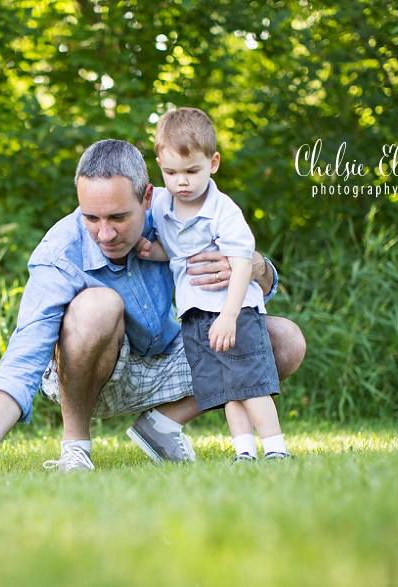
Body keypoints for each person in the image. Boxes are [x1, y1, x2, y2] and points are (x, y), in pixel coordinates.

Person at [0, 139, 305, 481]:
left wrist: (257, 267)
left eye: (119, 218)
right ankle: (75, 445)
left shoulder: (180, 219)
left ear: (147, 198)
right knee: (98, 304)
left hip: (168, 361)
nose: (105, 234)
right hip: (91, 372)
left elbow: (250, 287)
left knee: (283, 340)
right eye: (92, 218)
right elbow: (22, 358)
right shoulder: (59, 253)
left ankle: (162, 425)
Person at [137, 108, 289, 461]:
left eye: (192, 171)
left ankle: (276, 450)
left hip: (234, 311)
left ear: (213, 163)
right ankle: (244, 453)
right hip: (196, 314)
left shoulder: (224, 211)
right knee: (227, 389)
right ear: (159, 163)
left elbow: (242, 265)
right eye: (170, 172)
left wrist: (229, 316)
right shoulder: (161, 202)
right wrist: (153, 250)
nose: (182, 182)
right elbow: (178, 253)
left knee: (252, 384)